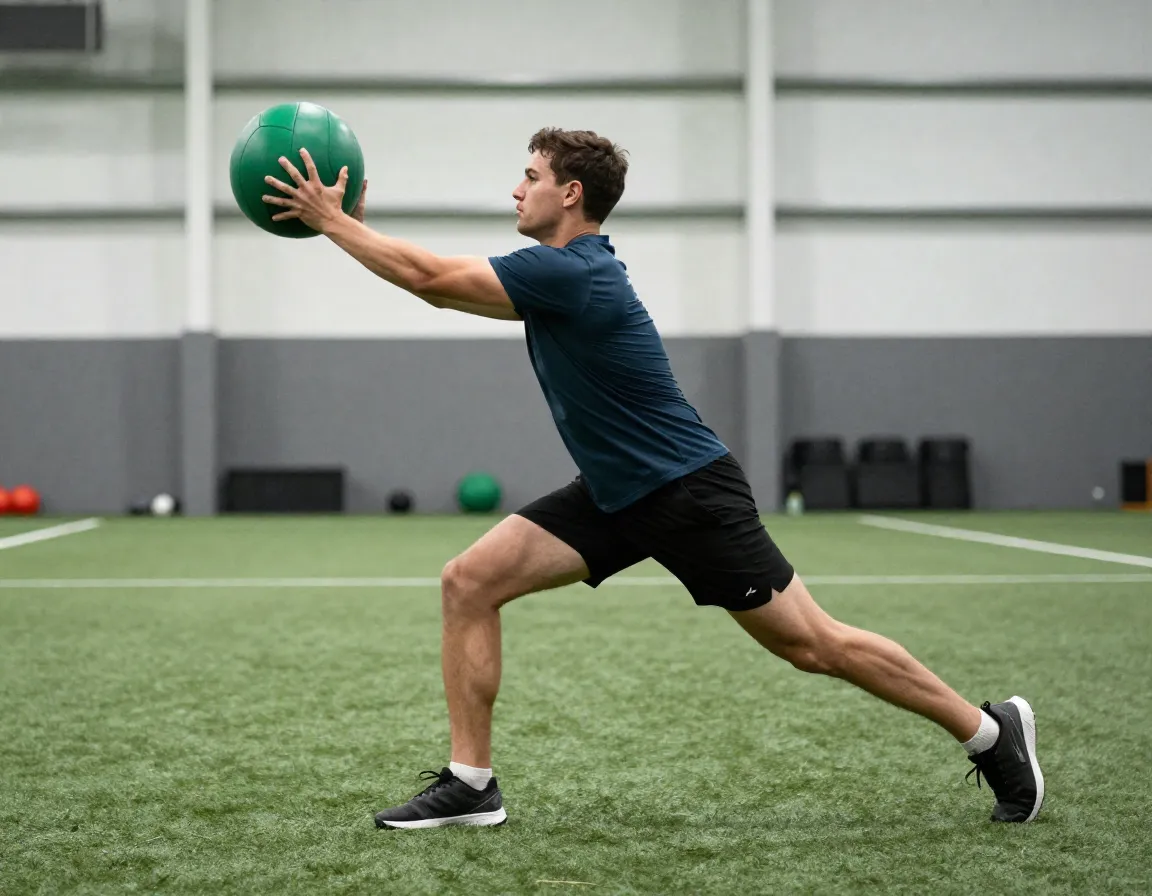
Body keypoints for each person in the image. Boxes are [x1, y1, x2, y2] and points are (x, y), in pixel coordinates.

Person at [261, 128, 1044, 831]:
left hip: (684, 491)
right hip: (614, 493)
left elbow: (432, 278)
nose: (515, 189)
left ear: (570, 194)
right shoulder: (555, 282)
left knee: (814, 645)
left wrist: (335, 222)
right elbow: (439, 286)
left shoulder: (572, 273)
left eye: (527, 175)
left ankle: (988, 731)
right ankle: (472, 785)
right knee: (469, 581)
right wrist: (352, 230)